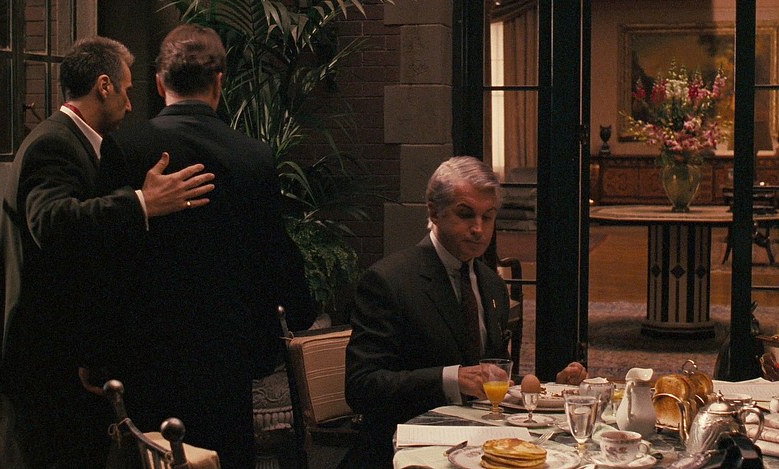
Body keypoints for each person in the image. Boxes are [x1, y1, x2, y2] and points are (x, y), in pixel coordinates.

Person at [0, 36, 216, 468]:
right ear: (103, 86)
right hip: (44, 359)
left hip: (56, 356)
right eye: (125, 90)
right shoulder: (54, 142)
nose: (130, 104)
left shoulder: (72, 140)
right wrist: (143, 202)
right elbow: (52, 222)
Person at [97, 24, 315, 468]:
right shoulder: (253, 156)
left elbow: (104, 259)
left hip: (145, 356)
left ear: (160, 83)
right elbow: (274, 254)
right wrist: (294, 318)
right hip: (225, 358)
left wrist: (95, 352)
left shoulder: (126, 147)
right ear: (219, 82)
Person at [343, 156, 587, 467]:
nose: (478, 229)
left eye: (488, 217)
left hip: (479, 445)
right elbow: (361, 387)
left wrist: (551, 388)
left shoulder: (491, 283)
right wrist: (451, 379)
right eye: (465, 214)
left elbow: (492, 375)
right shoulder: (389, 281)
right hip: (403, 450)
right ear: (434, 212)